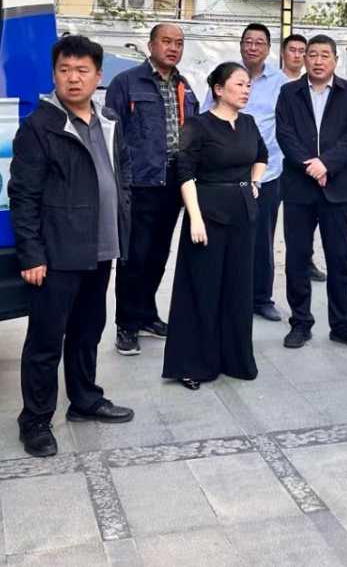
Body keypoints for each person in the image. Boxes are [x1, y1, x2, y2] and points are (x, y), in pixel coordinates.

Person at [9, 36, 135, 457]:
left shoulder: (109, 119)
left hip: (101, 249)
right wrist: (32, 253)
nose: (73, 78)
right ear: (54, 75)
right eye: (65, 70)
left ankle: (84, 400)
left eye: (82, 70)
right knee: (46, 341)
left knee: (87, 332)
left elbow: (122, 172)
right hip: (58, 253)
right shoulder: (39, 127)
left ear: (98, 76)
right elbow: (22, 196)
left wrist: (124, 216)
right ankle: (35, 421)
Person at [162, 63, 267, 390]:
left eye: (248, 85)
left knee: (238, 287)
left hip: (242, 214)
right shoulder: (198, 125)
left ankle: (233, 358)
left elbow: (262, 156)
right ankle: (192, 364)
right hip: (207, 214)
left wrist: (255, 183)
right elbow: (185, 173)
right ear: (219, 89)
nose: (246, 90)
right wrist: (195, 217)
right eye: (239, 84)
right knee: (202, 288)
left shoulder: (248, 123)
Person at [106, 23, 199, 357]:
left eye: (179, 43)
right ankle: (126, 324)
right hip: (139, 183)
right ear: (151, 45)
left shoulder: (184, 86)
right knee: (134, 257)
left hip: (174, 183)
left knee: (159, 255)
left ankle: (146, 315)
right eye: (166, 41)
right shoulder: (127, 82)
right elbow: (112, 134)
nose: (173, 48)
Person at [276, 34, 347, 351]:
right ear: (304, 59)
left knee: (339, 259)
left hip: (338, 188)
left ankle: (342, 325)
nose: (318, 61)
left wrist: (326, 164)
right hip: (299, 189)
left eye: (324, 55)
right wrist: (310, 166)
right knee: (297, 258)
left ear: (335, 60)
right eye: (312, 54)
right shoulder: (289, 93)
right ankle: (300, 323)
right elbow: (284, 134)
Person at [203, 24, 285, 322]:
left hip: (267, 174)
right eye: (248, 41)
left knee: (262, 239)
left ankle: (261, 298)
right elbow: (206, 118)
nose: (253, 47)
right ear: (240, 45)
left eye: (260, 42)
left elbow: (287, 124)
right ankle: (228, 296)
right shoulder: (225, 75)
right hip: (226, 177)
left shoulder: (280, 82)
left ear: (268, 48)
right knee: (228, 238)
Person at [281, 33, 327, 284]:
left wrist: (322, 165)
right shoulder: (279, 86)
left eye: (302, 50)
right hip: (280, 166)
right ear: (282, 53)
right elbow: (283, 131)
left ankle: (307, 261)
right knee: (289, 230)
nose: (297, 55)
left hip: (314, 169)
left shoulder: (325, 86)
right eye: (293, 50)